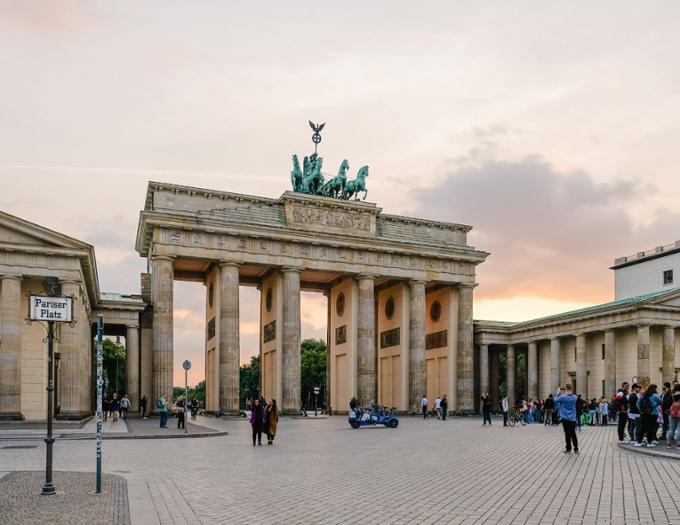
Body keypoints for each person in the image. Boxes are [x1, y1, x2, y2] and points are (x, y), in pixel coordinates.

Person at [555, 385, 579, 454]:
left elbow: (555, 400)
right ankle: (576, 449)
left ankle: (568, 449)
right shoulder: (575, 397)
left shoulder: (562, 397)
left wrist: (557, 392)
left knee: (567, 434)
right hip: (573, 418)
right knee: (573, 433)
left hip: (565, 418)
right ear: (571, 388)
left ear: (565, 389)